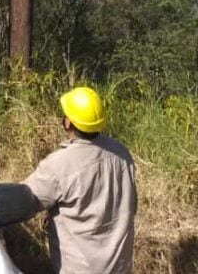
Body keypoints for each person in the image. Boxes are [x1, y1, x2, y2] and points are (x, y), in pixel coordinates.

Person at [22, 86, 137, 274]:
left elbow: (24, 201)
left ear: (68, 123)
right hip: (120, 268)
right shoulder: (122, 153)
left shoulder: (59, 164)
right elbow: (132, 205)